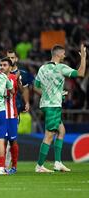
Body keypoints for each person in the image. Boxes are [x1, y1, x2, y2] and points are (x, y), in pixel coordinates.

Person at [34, 44, 86, 172]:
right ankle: (39, 165)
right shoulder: (61, 67)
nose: (64, 56)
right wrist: (84, 58)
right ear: (57, 54)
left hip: (47, 104)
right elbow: (81, 73)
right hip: (53, 106)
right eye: (63, 54)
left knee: (61, 131)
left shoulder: (42, 68)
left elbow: (35, 87)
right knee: (49, 135)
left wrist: (52, 94)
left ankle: (58, 162)